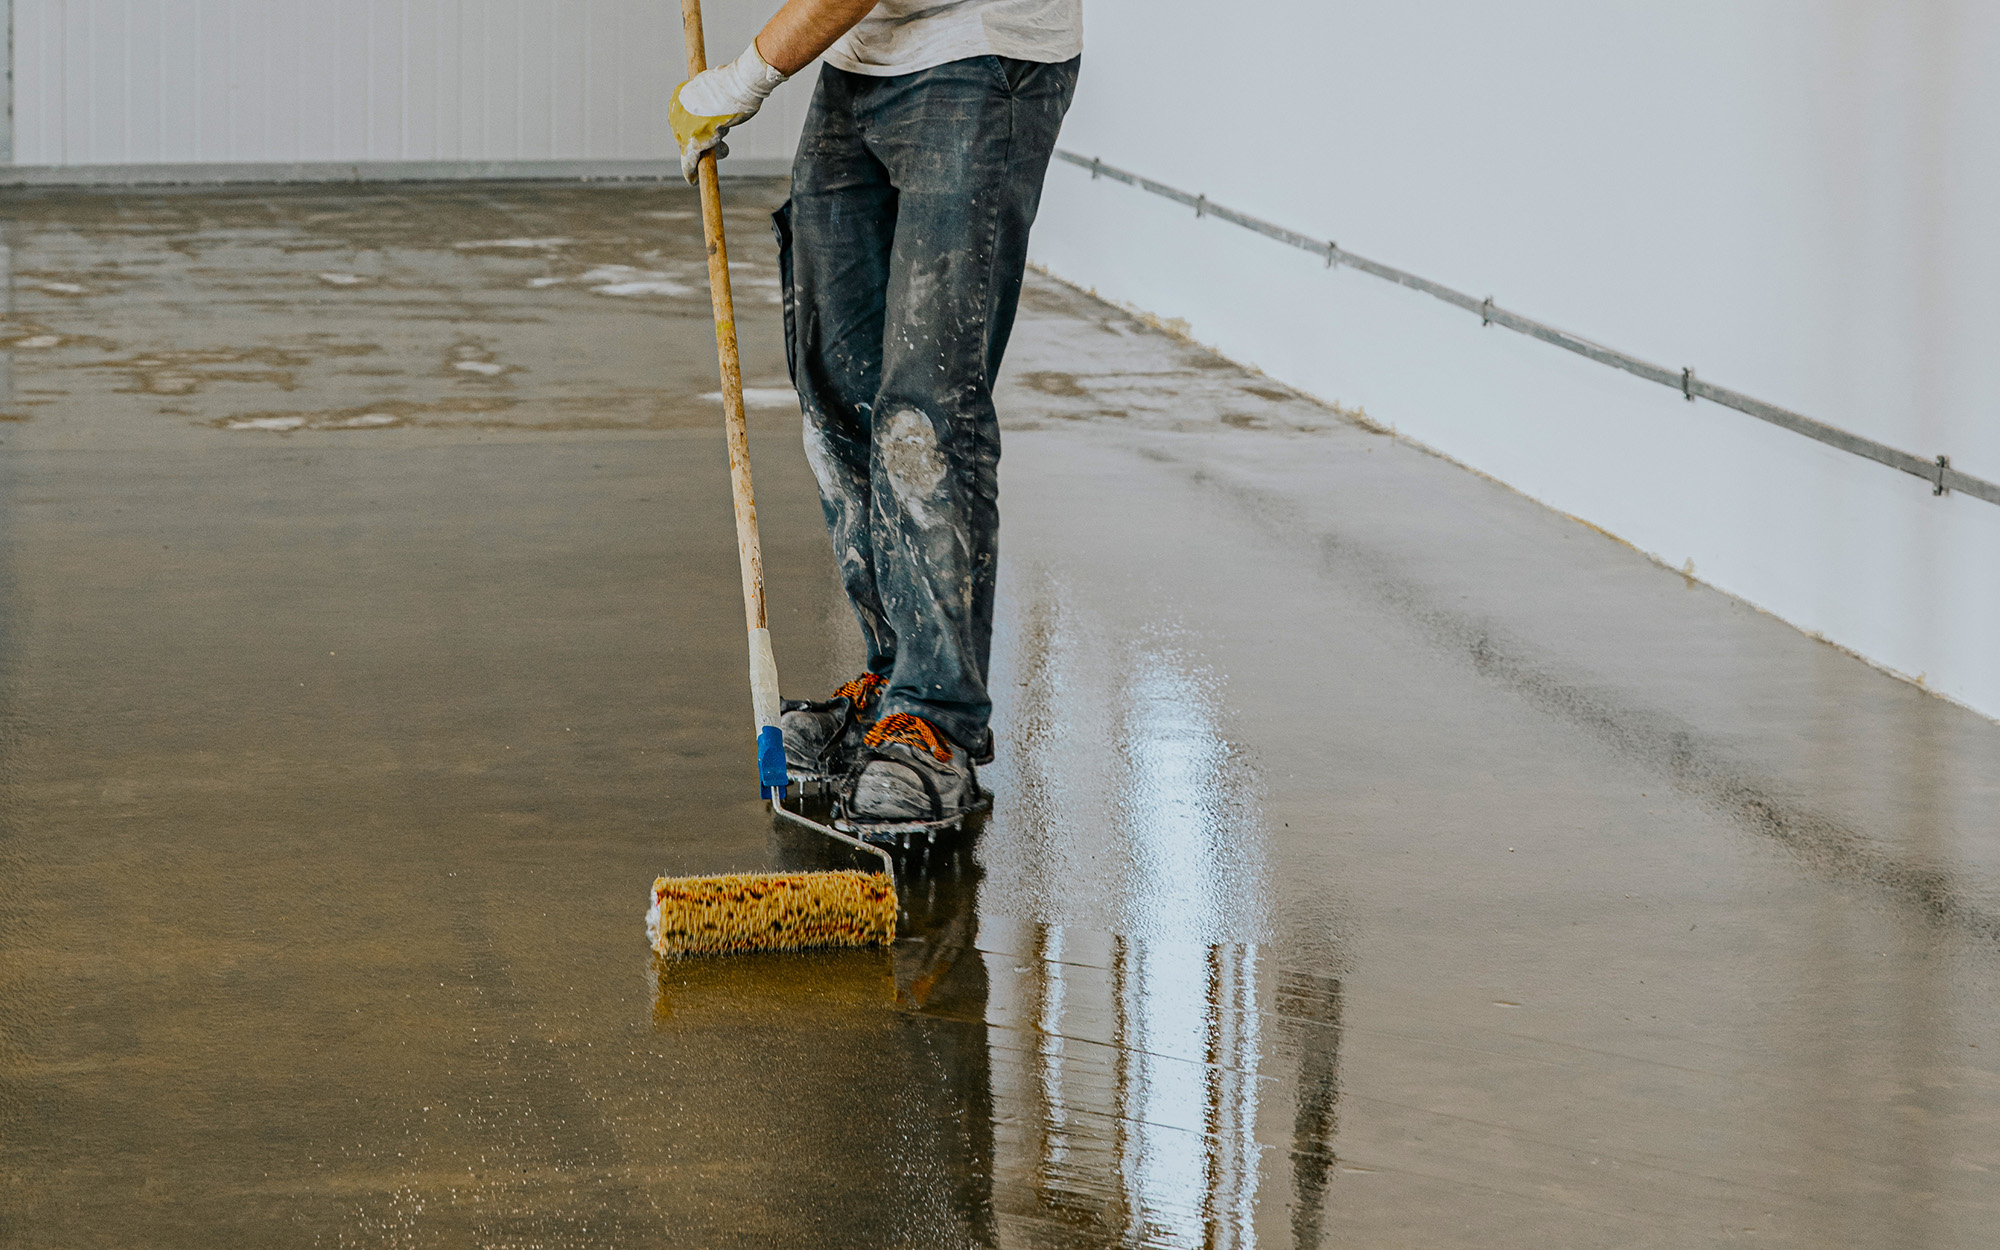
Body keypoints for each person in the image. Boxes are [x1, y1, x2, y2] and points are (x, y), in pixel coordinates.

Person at [671, 0, 1080, 829]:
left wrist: (744, 77)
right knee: (836, 385)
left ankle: (936, 721)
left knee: (924, 413)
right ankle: (894, 678)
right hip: (865, 58)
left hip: (982, 58)